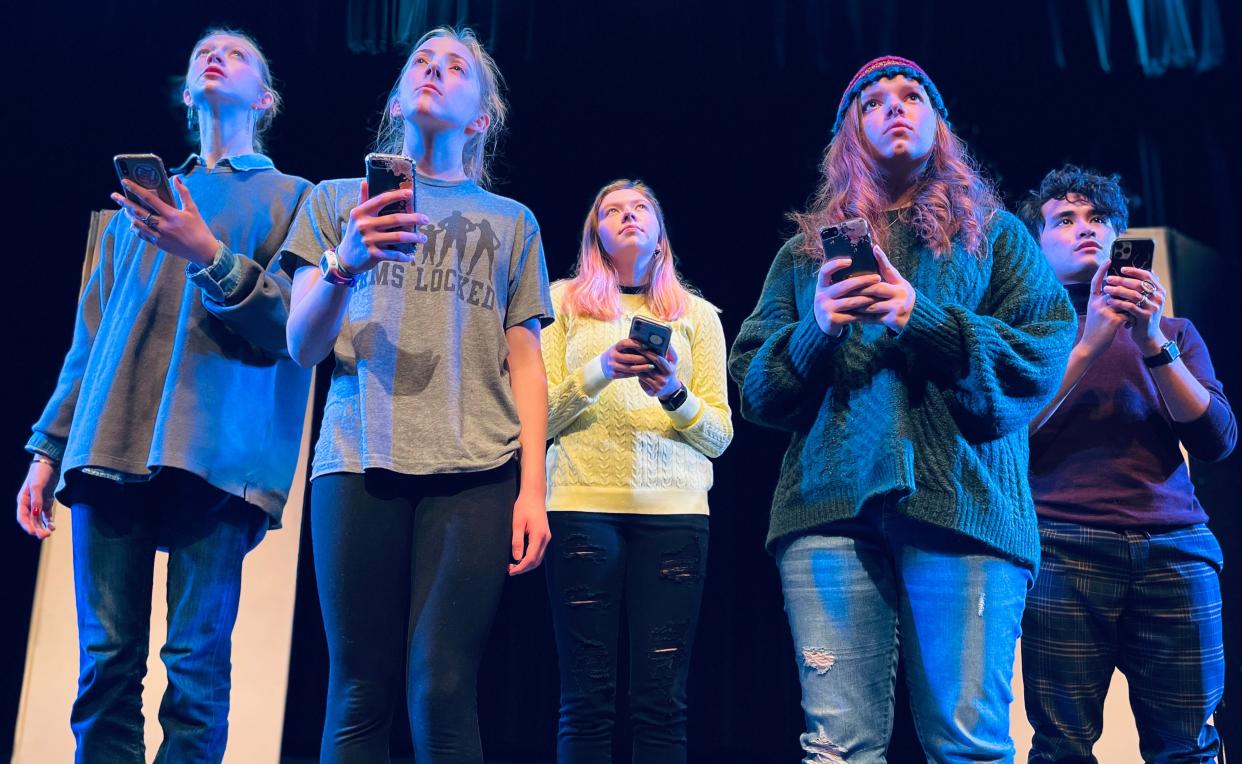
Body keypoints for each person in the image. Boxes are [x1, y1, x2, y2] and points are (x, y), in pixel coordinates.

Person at [728, 55, 1076, 763]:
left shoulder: (996, 234)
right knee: (837, 751)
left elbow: (1043, 352)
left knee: (969, 748)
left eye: (912, 96)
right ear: (848, 132)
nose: (894, 106)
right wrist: (816, 327)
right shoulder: (805, 256)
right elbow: (754, 391)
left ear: (939, 126)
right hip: (829, 513)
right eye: (873, 100)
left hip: (964, 509)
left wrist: (923, 319)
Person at [15, 28, 312, 764]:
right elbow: (90, 341)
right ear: (186, 92)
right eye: (203, 54)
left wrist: (206, 251)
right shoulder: (135, 208)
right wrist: (46, 450)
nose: (215, 57)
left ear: (266, 98)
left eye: (238, 54)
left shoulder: (293, 198)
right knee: (106, 666)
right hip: (110, 442)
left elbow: (291, 329)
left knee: (196, 670)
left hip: (217, 456)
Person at [280, 26, 553, 764]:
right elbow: (302, 347)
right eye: (420, 63)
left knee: (439, 686)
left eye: (454, 66)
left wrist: (535, 490)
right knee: (359, 690)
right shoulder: (334, 202)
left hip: (477, 470)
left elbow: (526, 365)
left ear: (480, 118)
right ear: (399, 96)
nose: (433, 70)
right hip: (356, 456)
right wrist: (346, 263)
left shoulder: (513, 222)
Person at [1018, 165, 1236, 763]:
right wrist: (1089, 343)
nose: (1086, 229)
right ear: (1036, 245)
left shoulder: (1174, 333)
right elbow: (1008, 437)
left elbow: (1217, 441)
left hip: (1175, 550)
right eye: (1064, 220)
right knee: (1061, 747)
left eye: (1100, 219)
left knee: (1189, 746)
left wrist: (1150, 343)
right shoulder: (1027, 336)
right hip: (1063, 546)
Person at [541, 179, 733, 763]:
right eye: (612, 211)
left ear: (660, 232)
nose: (627, 217)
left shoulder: (698, 316)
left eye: (640, 208)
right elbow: (538, 416)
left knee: (662, 703)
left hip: (674, 516)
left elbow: (721, 436)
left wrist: (673, 392)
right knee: (585, 700)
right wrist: (601, 369)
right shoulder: (561, 304)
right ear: (595, 234)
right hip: (580, 508)